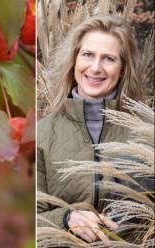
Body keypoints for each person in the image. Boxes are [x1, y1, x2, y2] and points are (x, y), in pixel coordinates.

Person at [37, 15, 145, 243]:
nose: (95, 68)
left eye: (108, 58)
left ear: (123, 69)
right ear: (74, 60)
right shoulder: (42, 134)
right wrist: (65, 218)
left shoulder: (145, 132)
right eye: (87, 55)